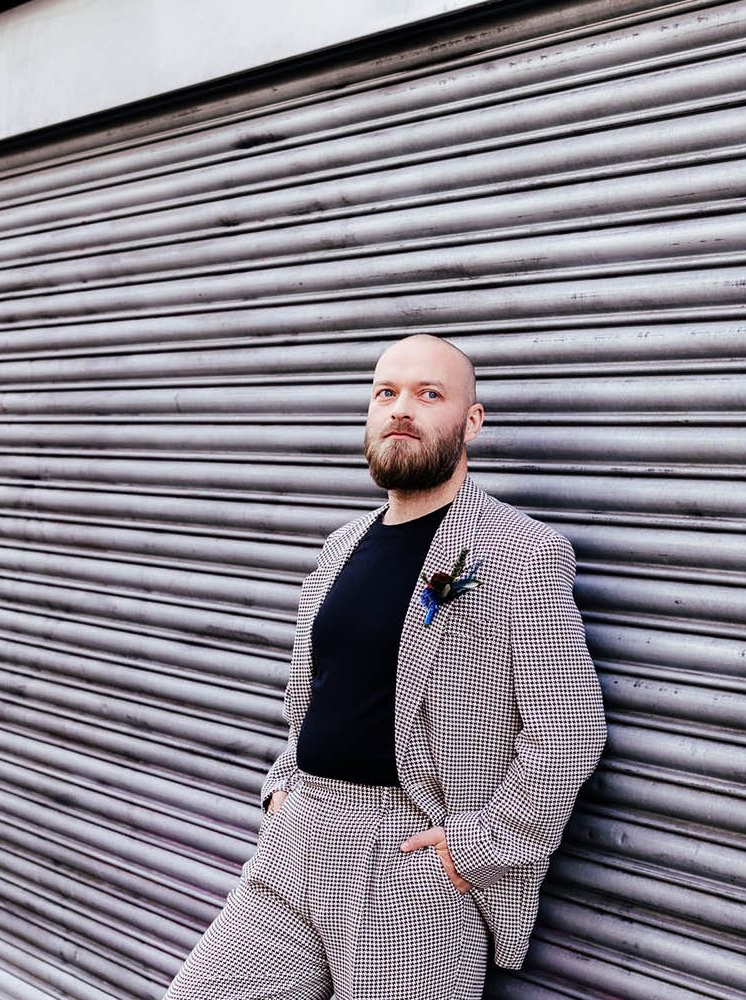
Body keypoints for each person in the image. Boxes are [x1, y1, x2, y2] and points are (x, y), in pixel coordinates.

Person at [163, 334, 606, 1000]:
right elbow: (309, 690)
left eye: (430, 394)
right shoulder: (344, 546)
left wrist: (482, 847)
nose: (403, 409)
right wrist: (286, 783)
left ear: (471, 422)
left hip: (410, 858)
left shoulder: (520, 552)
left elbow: (569, 731)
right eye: (386, 393)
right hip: (299, 838)